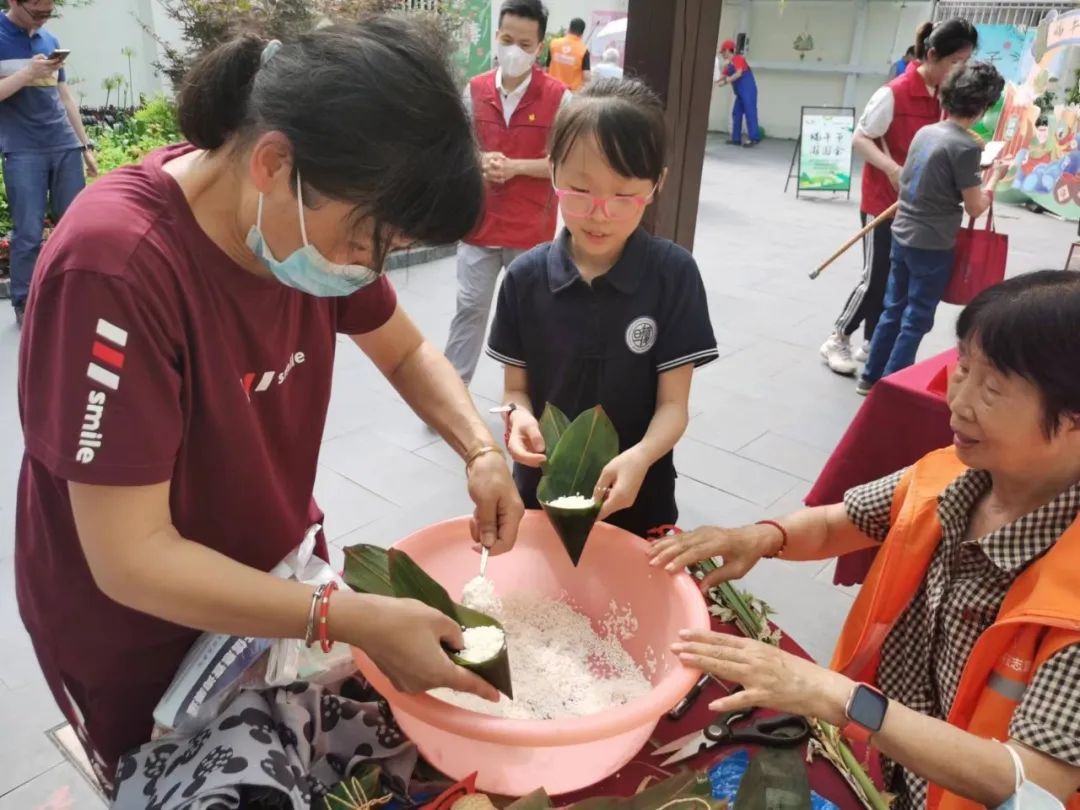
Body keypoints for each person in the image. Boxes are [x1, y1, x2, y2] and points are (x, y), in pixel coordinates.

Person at [15, 19, 525, 794]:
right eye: (368, 240)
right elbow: (132, 558)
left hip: (272, 579)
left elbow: (406, 351)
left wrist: (480, 449)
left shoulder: (298, 225)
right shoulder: (114, 270)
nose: (368, 268)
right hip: (141, 628)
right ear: (273, 163)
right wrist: (342, 616)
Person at [652, 270, 1080, 809]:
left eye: (991, 390)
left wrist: (840, 698)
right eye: (963, 370)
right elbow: (840, 523)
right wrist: (760, 537)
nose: (959, 402)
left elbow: (1031, 781)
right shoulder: (948, 477)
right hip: (881, 767)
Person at [486, 78, 719, 537]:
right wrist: (518, 417)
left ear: (656, 184)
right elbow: (515, 390)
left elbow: (673, 405)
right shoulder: (524, 278)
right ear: (553, 172)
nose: (599, 213)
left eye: (623, 195)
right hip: (540, 494)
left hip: (640, 496)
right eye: (580, 190)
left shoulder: (673, 275)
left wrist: (640, 457)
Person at [820, 19, 978, 376]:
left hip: (917, 208)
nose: (959, 70)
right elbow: (860, 138)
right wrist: (893, 170)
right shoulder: (894, 92)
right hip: (883, 201)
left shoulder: (945, 97)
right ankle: (838, 337)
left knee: (896, 282)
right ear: (932, 54)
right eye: (955, 61)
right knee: (875, 278)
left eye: (965, 62)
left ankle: (872, 343)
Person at [857, 62, 1006, 396]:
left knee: (893, 309)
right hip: (933, 243)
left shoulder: (926, 132)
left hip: (902, 233)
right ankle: (892, 387)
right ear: (983, 106)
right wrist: (995, 177)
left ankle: (870, 377)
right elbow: (975, 206)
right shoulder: (965, 148)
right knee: (917, 319)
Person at [444, 0, 570, 386]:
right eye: (507, 39)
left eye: (525, 44)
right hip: (479, 225)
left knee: (528, 318)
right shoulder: (475, 90)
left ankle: (525, 398)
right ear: (497, 36)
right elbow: (456, 147)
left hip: (530, 232)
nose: (514, 50)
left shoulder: (559, 98)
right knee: (469, 310)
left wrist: (516, 167)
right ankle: (450, 394)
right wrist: (479, 160)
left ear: (540, 47)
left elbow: (566, 163)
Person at [0, 0, 97, 327]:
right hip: (22, 149)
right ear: (14, 2)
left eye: (48, 12)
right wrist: (27, 73)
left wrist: (85, 144)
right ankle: (25, 301)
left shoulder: (50, 40)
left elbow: (64, 96)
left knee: (75, 228)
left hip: (65, 144)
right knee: (28, 232)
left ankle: (74, 296)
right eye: (37, 12)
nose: (43, 19)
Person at [716, 39, 759, 147]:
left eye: (723, 52)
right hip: (740, 93)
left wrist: (726, 81)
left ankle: (754, 138)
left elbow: (738, 73)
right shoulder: (728, 65)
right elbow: (721, 77)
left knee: (750, 112)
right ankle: (736, 139)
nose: (722, 54)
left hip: (748, 91)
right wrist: (715, 80)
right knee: (736, 113)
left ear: (728, 50)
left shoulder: (738, 59)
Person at [546, 16, 591, 91]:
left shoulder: (554, 43)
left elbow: (547, 69)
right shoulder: (583, 50)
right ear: (582, 33)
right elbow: (587, 77)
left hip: (552, 89)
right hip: (570, 93)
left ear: (569, 29)